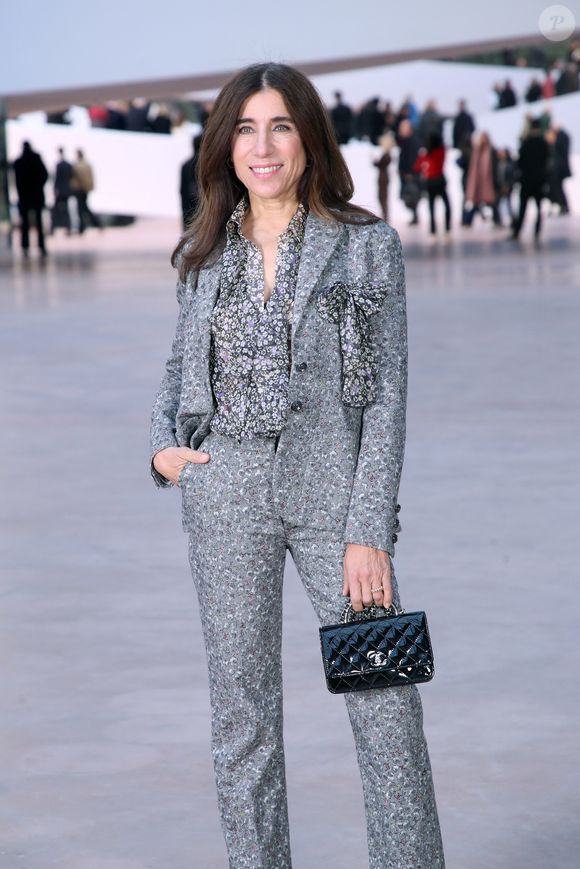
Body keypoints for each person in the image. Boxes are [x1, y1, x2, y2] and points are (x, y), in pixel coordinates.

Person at [149, 62, 445, 869]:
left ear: (309, 138)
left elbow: (386, 398)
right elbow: (177, 374)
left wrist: (368, 529)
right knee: (243, 721)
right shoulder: (204, 250)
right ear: (226, 146)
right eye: (245, 128)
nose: (263, 145)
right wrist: (164, 453)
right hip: (226, 495)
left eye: (280, 125)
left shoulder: (365, 247)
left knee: (385, 706)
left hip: (334, 497)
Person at [510, 118, 549, 242]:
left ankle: (517, 231)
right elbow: (547, 160)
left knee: (523, 207)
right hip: (539, 180)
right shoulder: (543, 143)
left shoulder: (526, 143)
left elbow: (519, 162)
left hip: (526, 180)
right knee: (539, 208)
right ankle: (537, 230)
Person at [13, 141, 49, 257]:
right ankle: (41, 246)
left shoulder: (19, 162)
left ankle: (25, 246)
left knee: (25, 223)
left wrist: (21, 192)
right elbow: (44, 175)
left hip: (24, 197)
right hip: (36, 195)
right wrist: (38, 186)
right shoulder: (36, 159)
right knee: (38, 222)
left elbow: (17, 182)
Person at [413, 131, 452, 238]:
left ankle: (433, 230)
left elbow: (416, 167)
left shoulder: (426, 153)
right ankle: (447, 229)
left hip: (430, 182)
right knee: (447, 205)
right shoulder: (440, 152)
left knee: (431, 206)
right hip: (439, 180)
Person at [463, 132, 501, 227]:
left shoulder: (491, 152)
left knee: (492, 202)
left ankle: (496, 219)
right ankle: (467, 220)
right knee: (476, 202)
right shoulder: (476, 151)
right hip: (478, 181)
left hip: (488, 181)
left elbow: (495, 167)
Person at [71, 150, 101, 233]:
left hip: (79, 189)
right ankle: (94, 224)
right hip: (85, 189)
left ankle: (84, 227)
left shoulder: (77, 165)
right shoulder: (87, 165)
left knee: (81, 208)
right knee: (84, 208)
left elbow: (78, 178)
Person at [179, 129, 204, 229]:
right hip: (202, 200)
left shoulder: (186, 164)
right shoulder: (205, 164)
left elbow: (182, 188)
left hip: (188, 200)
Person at [50, 147, 73, 235]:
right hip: (67, 190)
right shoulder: (68, 165)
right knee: (66, 210)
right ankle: (68, 228)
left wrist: (55, 189)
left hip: (60, 190)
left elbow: (57, 179)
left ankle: (53, 228)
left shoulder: (59, 165)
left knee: (55, 210)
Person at [372, 131, 394, 221]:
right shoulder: (386, 155)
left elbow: (381, 164)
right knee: (382, 197)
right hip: (383, 177)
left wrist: (375, 161)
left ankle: (386, 216)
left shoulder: (387, 155)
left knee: (383, 197)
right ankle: (385, 215)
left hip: (383, 178)